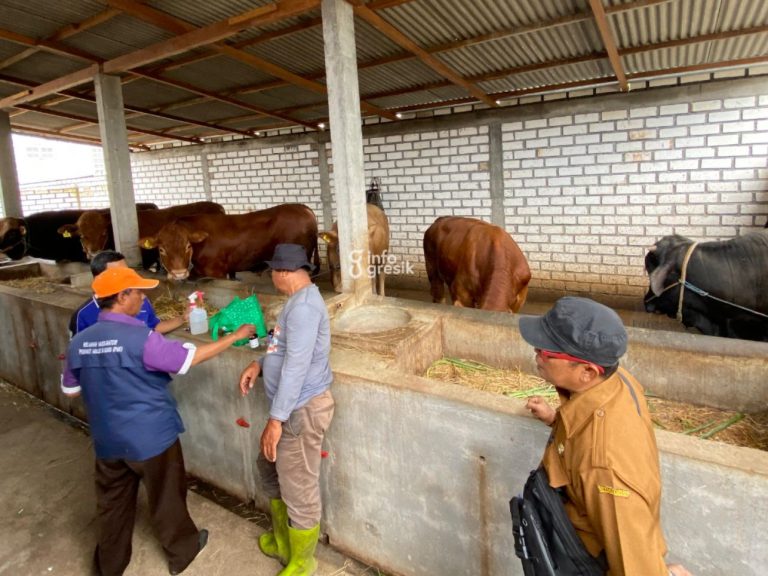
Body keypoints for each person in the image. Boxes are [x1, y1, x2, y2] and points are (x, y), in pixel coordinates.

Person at [62, 266, 255, 576]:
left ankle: (109, 567)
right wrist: (235, 336)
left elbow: (70, 390)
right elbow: (189, 359)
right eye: (138, 292)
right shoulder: (141, 338)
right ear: (122, 297)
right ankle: (183, 552)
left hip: (107, 440)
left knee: (112, 505)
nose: (143, 297)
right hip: (151, 437)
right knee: (166, 496)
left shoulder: (79, 341)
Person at [519, 296, 693, 576]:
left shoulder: (604, 467)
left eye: (547, 351)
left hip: (583, 565)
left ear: (587, 371)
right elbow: (586, 425)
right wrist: (555, 419)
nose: (536, 353)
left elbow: (634, 564)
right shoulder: (615, 380)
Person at [239, 243, 334, 576]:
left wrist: (276, 419)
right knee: (268, 468)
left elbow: (296, 365)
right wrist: (259, 363)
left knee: (299, 487)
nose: (271, 278)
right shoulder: (296, 303)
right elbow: (283, 353)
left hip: (300, 410)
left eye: (273, 272)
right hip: (288, 408)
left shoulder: (305, 308)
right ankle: (282, 542)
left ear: (284, 273)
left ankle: (303, 562)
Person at [69, 250, 185, 337]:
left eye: (127, 271)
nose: (143, 296)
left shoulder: (139, 301)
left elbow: (154, 327)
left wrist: (183, 318)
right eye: (117, 273)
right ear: (99, 278)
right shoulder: (82, 316)